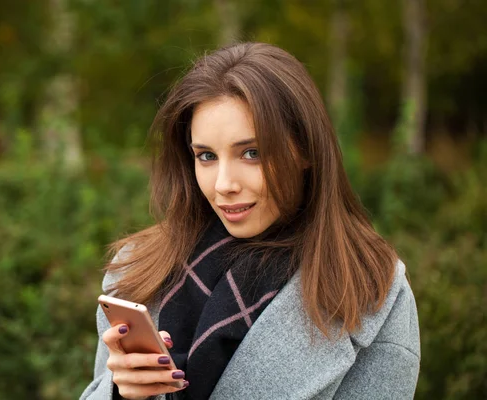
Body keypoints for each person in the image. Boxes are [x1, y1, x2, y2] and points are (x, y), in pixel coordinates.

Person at [80, 42, 420, 400]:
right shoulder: (137, 269)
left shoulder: (372, 289)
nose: (225, 185)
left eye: (251, 153)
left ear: (304, 148)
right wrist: (123, 395)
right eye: (207, 156)